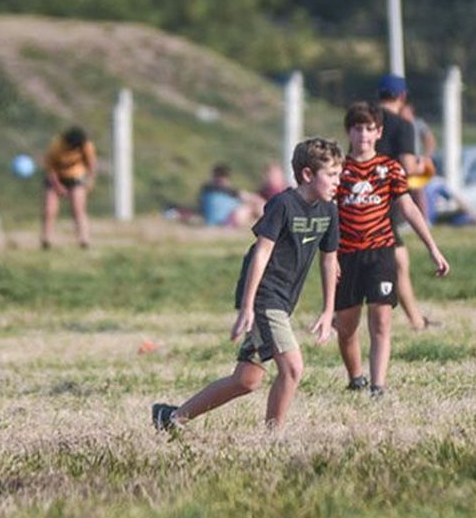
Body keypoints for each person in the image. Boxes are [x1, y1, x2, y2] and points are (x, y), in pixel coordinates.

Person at [151, 138, 344, 432]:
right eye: (331, 175)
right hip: (266, 297)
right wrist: (248, 306)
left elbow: (329, 261)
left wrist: (329, 310)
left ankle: (172, 418)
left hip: (284, 300)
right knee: (292, 368)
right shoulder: (283, 204)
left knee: (246, 380)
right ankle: (272, 439)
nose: (337, 182)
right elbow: (261, 252)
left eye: (339, 175)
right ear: (307, 175)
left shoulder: (329, 210)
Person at [333, 102, 451, 396]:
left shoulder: (389, 169)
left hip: (380, 251)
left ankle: (378, 386)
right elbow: (325, 215)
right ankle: (356, 377)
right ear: (349, 131)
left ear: (378, 133)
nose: (363, 135)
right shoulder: (339, 171)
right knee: (346, 327)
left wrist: (432, 248)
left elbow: (408, 209)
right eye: (358, 128)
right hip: (346, 255)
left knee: (381, 319)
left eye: (369, 129)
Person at [374, 75, 434, 330]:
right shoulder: (402, 125)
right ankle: (417, 322)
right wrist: (423, 164)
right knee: (399, 262)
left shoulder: (366, 121)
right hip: (385, 201)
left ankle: (417, 320)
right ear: (402, 97)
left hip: (361, 197)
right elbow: (408, 167)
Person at [41, 126, 97, 250]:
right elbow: (50, 169)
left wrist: (90, 181)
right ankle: (46, 240)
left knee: (78, 209)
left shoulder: (86, 145)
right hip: (56, 176)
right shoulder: (57, 145)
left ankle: (84, 240)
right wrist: (58, 186)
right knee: (49, 209)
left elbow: (91, 164)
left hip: (76, 177)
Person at [401, 99, 438, 217]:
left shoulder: (417, 124)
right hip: (401, 161)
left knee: (418, 190)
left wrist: (426, 156)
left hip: (415, 161)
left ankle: (424, 217)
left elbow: (430, 140)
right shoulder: (398, 124)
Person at [198, 163, 265, 227]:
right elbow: (246, 196)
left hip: (210, 220)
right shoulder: (227, 189)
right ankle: (266, 222)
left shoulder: (206, 188)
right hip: (227, 220)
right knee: (251, 207)